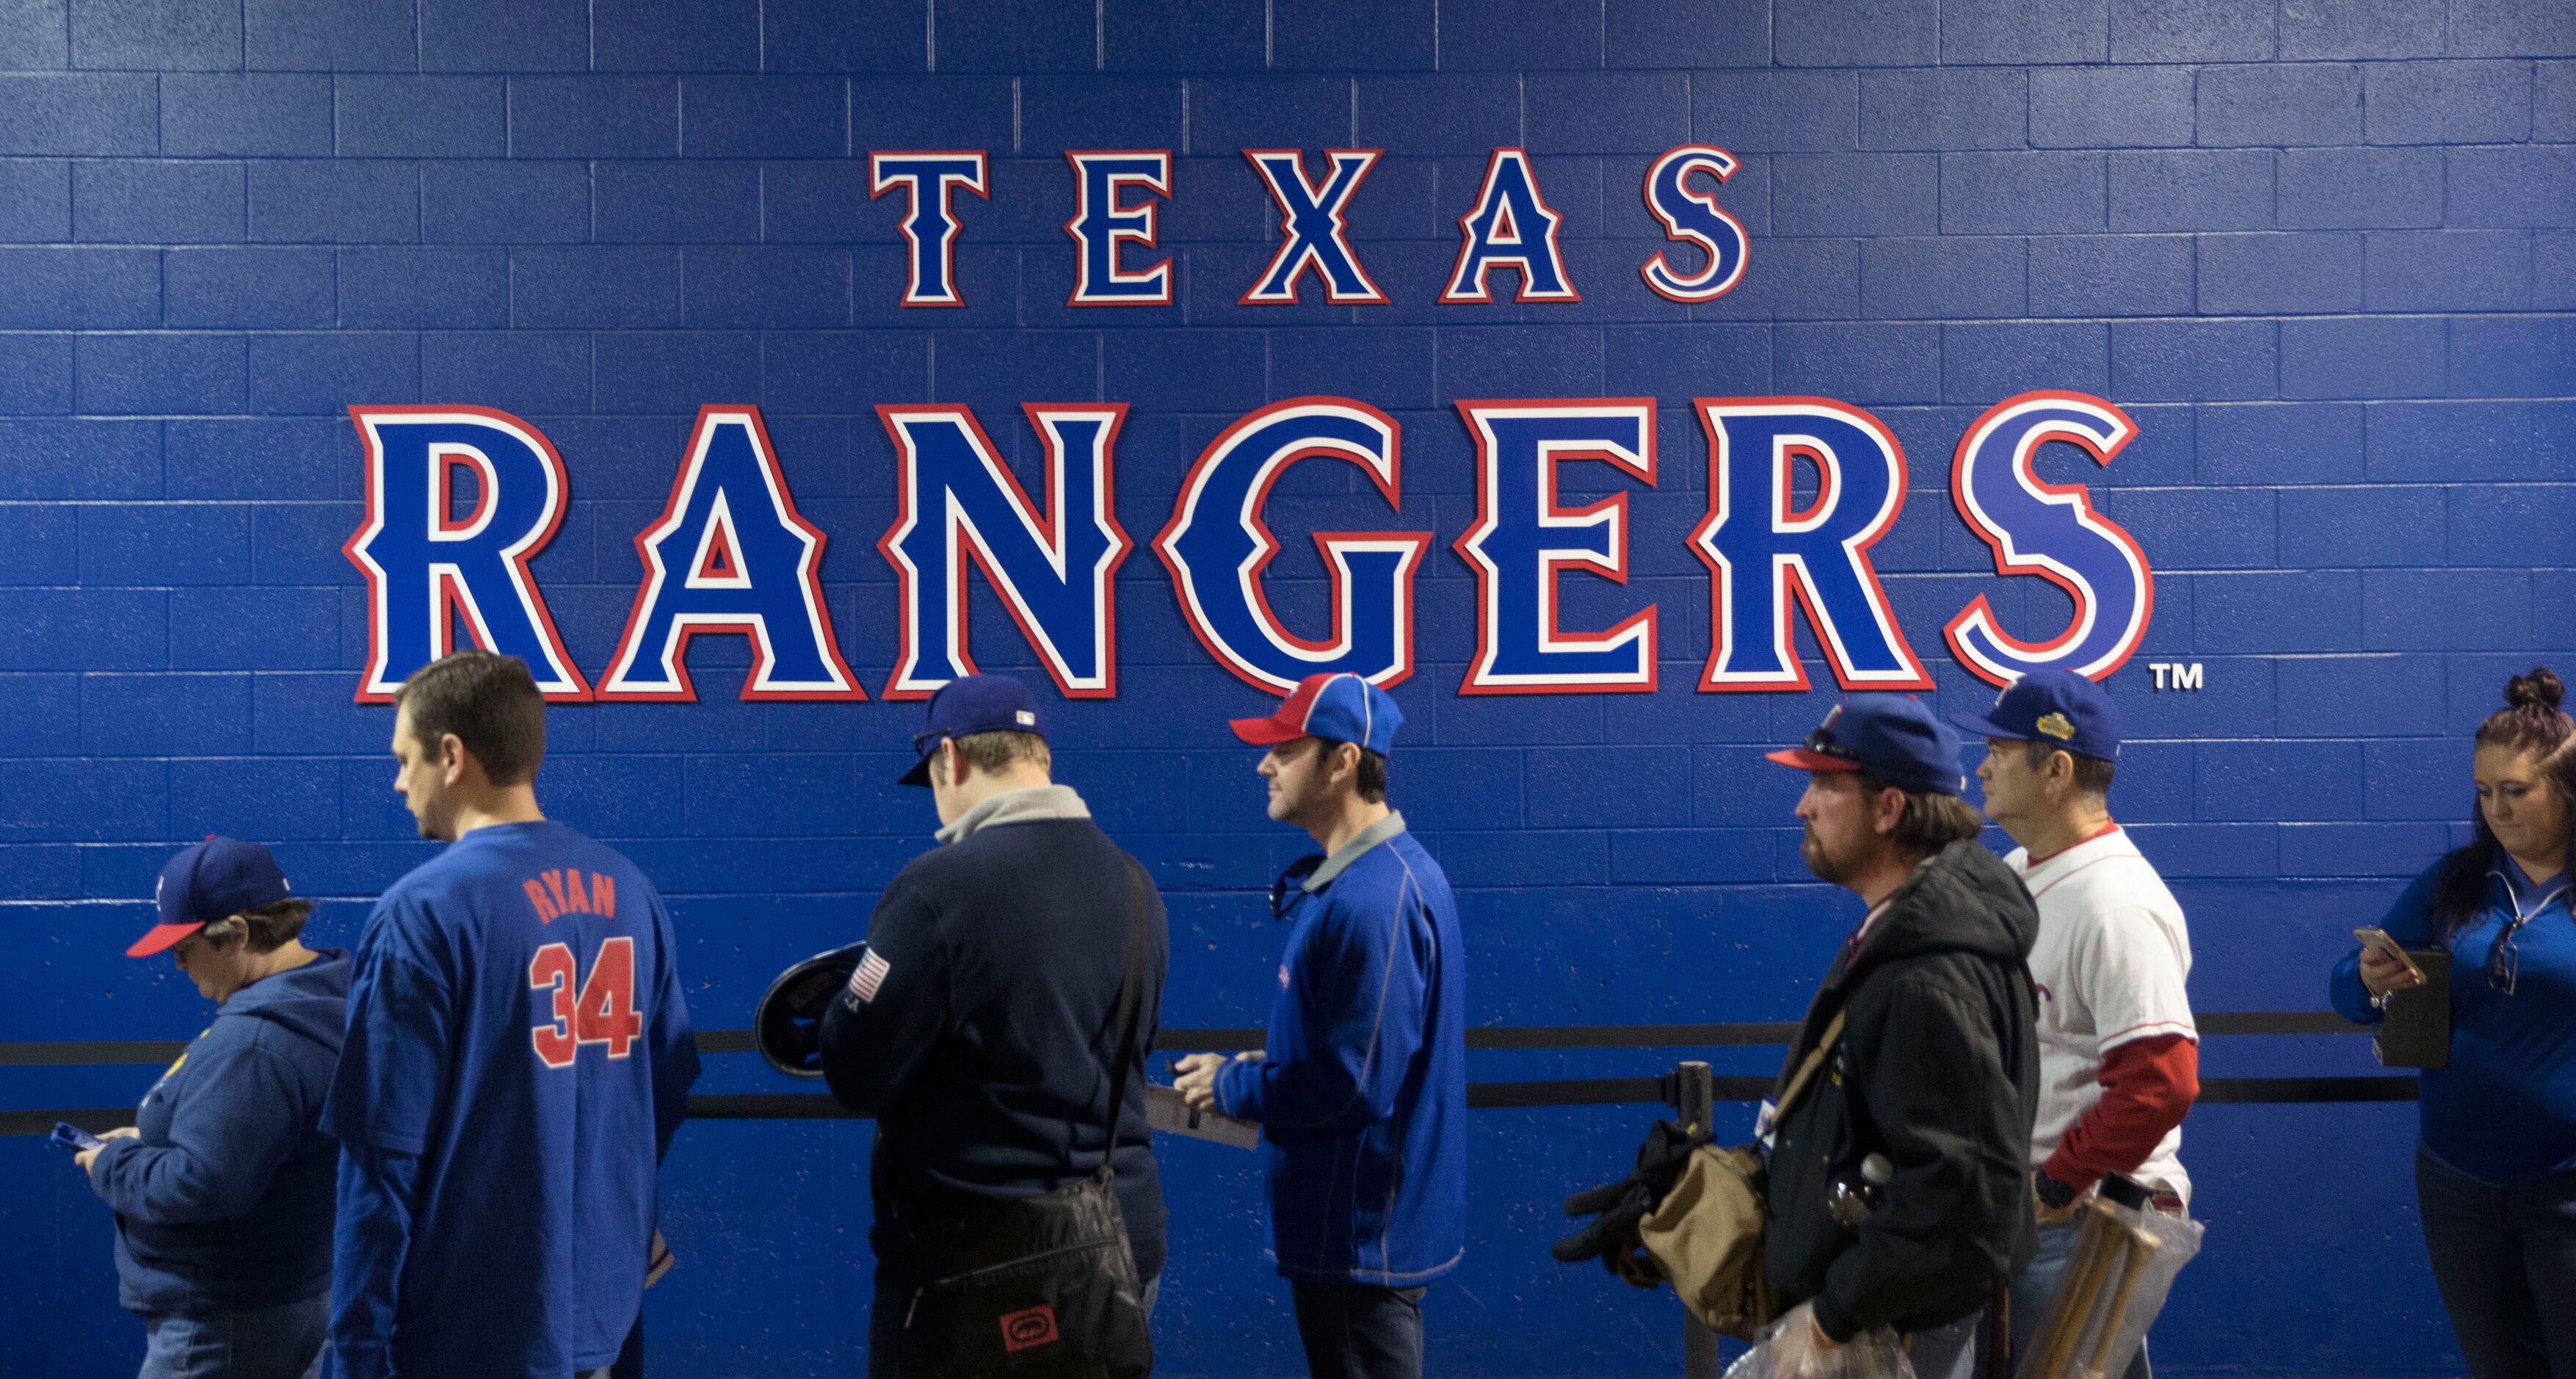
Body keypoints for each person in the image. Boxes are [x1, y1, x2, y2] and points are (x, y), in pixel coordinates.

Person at [324, 651, 700, 1379]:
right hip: (603, 1321)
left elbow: (381, 1163)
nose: (399, 782)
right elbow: (665, 1092)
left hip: (471, 1331)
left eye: (405, 760)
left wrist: (356, 1355)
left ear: (452, 755)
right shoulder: (629, 888)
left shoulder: (423, 910)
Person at [816, 673, 1169, 1378]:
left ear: (950, 758)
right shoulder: (1135, 883)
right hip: (1117, 1250)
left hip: (980, 1264)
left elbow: (854, 1074)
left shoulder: (938, 888)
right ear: (1037, 756)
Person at [1172, 672, 1467, 1379]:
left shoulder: (1373, 900)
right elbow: (1358, 1054)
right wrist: (1276, 1061)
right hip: (1358, 1238)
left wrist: (1235, 1085)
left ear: (1341, 763)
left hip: (1357, 1244)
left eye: (1285, 749)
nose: (1263, 764)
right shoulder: (1372, 881)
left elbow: (1349, 1089)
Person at [1758, 694, 2040, 1379]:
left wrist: (1833, 1318)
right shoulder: (1912, 933)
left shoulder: (1927, 971)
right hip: (1884, 1317)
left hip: (1890, 1330)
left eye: (1825, 785)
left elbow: (1960, 1191)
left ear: (1887, 810)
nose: (1803, 806)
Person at [2330, 667, 2576, 1379]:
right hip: (2455, 1183)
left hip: (2565, 1185)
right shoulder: (2453, 884)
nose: (2495, 809)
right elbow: (2346, 992)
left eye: (2515, 791)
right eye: (2482, 791)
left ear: (2565, 789)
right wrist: (2367, 979)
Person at [1956, 671, 2198, 1379]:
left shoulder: (2116, 904)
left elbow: (2160, 1081)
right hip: (2035, 1207)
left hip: (2086, 1209)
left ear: (2055, 769)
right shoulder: (2020, 871)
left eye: (1999, 751)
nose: (1980, 766)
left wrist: (2056, 1184)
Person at [81, 837, 349, 1379]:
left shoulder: (256, 1044)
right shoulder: (323, 998)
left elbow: (201, 1185)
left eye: (183, 949)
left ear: (240, 935)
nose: (178, 965)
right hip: (287, 1292)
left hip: (223, 1320)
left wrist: (109, 1162)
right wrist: (149, 1139)